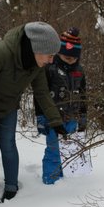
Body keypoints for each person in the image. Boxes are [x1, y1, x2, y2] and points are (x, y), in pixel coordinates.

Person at [0, 21, 66, 202]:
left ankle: (11, 186)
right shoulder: (0, 53)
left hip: (7, 106)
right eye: (49, 55)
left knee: (8, 146)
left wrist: (55, 120)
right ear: (36, 49)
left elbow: (42, 93)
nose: (51, 60)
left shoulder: (36, 65)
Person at [36, 27, 87, 184]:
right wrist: (40, 118)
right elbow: (40, 96)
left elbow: (84, 95)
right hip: (53, 119)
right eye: (66, 56)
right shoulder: (49, 69)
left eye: (73, 57)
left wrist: (83, 117)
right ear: (59, 52)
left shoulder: (79, 71)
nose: (70, 60)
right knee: (53, 150)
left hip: (72, 117)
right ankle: (51, 179)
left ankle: (69, 178)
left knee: (69, 149)